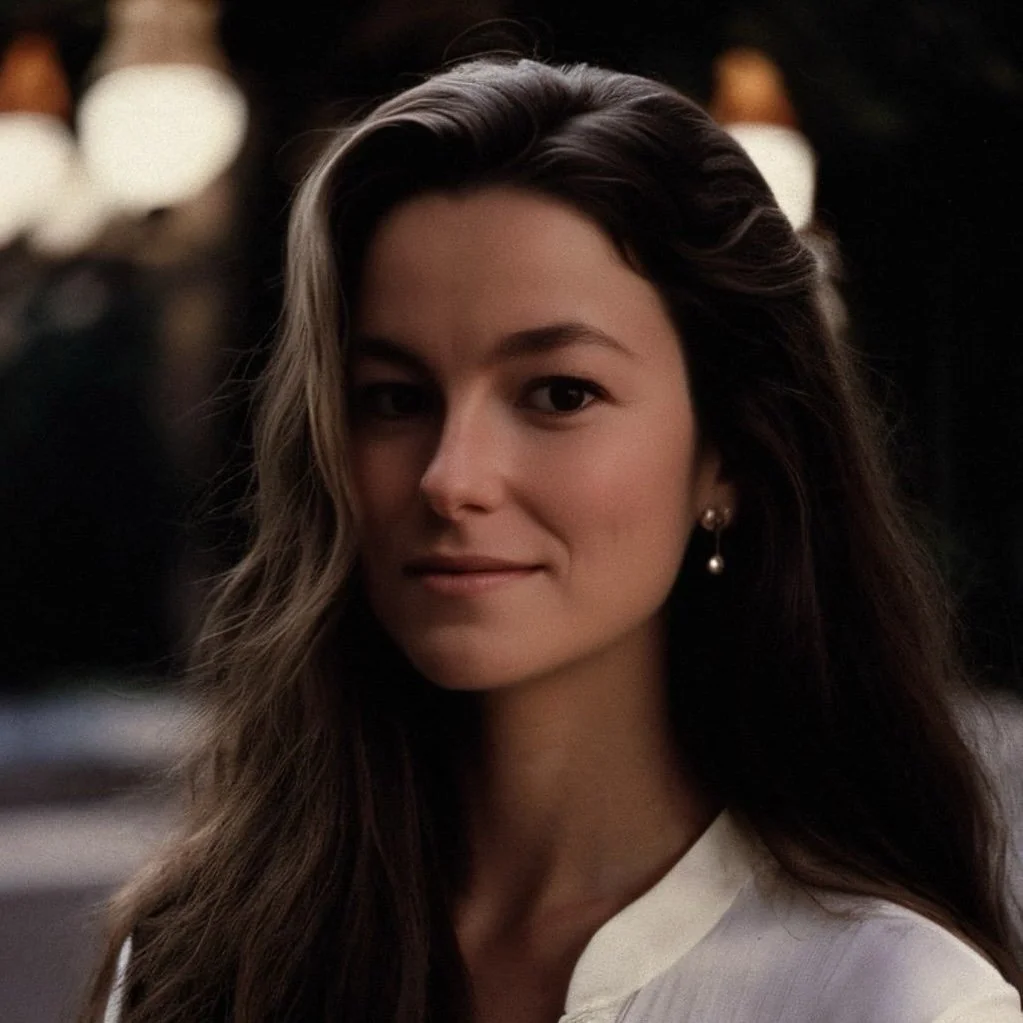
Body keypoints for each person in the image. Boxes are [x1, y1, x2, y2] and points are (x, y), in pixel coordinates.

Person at [83, 56, 1023, 1023]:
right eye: (395, 399)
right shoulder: (201, 960)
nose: (451, 477)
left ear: (728, 456)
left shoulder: (892, 999)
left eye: (560, 393)